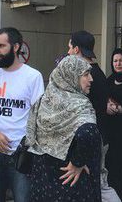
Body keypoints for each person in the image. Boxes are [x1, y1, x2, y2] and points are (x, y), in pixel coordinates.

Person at [0, 27, 44, 202]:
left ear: (15, 47)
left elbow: (38, 116)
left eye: (1, 46)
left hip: (20, 152)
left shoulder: (33, 76)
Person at [26, 55, 102, 202]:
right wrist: (77, 163)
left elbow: (30, 134)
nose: (91, 79)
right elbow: (88, 133)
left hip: (42, 181)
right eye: (86, 74)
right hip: (71, 185)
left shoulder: (43, 101)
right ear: (70, 76)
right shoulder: (79, 105)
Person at [67, 31, 121, 202]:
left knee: (99, 185)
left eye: (69, 47)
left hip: (91, 139)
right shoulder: (98, 73)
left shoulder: (87, 76)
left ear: (76, 49)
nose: (68, 52)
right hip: (99, 137)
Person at [104, 48, 122, 200]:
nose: (118, 63)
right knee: (111, 169)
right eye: (115, 61)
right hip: (111, 132)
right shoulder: (108, 81)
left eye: (121, 60)